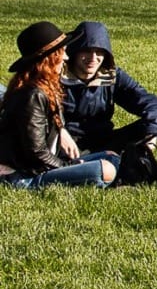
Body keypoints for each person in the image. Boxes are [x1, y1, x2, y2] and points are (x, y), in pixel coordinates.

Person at [0, 22, 120, 189]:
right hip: (27, 176)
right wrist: (69, 167)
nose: (66, 57)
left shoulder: (45, 86)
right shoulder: (32, 95)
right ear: (49, 59)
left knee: (111, 157)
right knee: (105, 170)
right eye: (61, 53)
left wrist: (61, 130)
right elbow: (37, 154)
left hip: (45, 164)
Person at [60, 21, 157, 183]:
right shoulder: (57, 77)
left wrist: (151, 134)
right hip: (64, 145)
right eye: (86, 51)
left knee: (144, 128)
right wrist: (59, 131)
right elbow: (36, 114)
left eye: (99, 52)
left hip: (104, 140)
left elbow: (152, 105)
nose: (93, 58)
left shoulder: (111, 76)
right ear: (74, 51)